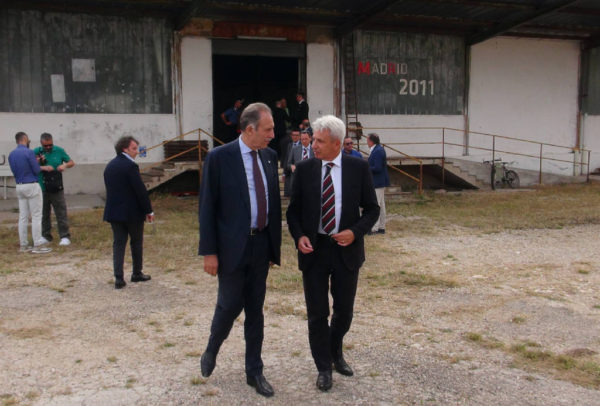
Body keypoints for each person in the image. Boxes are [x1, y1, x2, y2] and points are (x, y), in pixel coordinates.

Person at [286, 115, 379, 391]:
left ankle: (335, 350)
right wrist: (300, 236)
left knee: (344, 312)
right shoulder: (305, 170)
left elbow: (372, 209)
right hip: (314, 250)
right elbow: (293, 213)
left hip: (345, 250)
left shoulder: (358, 168)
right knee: (317, 314)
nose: (313, 145)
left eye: (319, 141)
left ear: (337, 143)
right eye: (313, 139)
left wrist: (355, 232)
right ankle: (324, 367)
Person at [198, 102, 281, 398]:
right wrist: (209, 252)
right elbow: (207, 207)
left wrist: (272, 248)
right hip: (231, 247)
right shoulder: (220, 158)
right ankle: (212, 347)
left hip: (260, 246)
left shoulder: (270, 157)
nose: (273, 134)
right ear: (249, 129)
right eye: (268, 129)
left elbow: (273, 204)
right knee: (230, 305)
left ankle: (254, 371)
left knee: (255, 310)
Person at [103, 136, 154, 289]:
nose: (137, 152)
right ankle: (136, 273)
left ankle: (118, 278)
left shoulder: (110, 166)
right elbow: (140, 190)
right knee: (136, 242)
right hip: (132, 212)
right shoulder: (130, 166)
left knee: (118, 243)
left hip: (114, 211)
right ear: (124, 149)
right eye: (134, 149)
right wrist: (148, 210)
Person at [8, 132, 51, 254]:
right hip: (31, 184)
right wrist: (39, 164)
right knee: (36, 216)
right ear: (25, 139)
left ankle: (23, 245)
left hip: (19, 185)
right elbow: (36, 170)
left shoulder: (11, 154)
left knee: (23, 217)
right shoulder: (29, 152)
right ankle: (37, 244)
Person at [34, 133, 75, 246]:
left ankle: (64, 236)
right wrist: (43, 167)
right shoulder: (36, 152)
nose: (48, 147)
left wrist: (64, 166)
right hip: (42, 186)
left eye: (50, 145)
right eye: (45, 146)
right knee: (44, 212)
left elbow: (71, 162)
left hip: (56, 186)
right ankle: (46, 235)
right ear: (41, 144)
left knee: (61, 211)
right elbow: (31, 166)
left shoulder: (59, 150)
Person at [367, 133, 390, 235]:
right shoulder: (376, 150)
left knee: (376, 205)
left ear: (371, 141)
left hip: (378, 181)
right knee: (381, 205)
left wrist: (366, 167)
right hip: (378, 181)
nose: (367, 142)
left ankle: (375, 228)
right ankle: (381, 226)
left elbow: (377, 168)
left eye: (368, 140)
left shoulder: (378, 151)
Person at [283, 129, 301, 197]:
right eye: (293, 135)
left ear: (299, 136)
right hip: (289, 170)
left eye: (297, 135)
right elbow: (286, 158)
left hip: (298, 171)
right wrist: (284, 173)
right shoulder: (289, 145)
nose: (295, 137)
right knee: (289, 192)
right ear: (291, 136)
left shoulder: (302, 145)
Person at [272, 97, 290, 162]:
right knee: (282, 144)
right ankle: (282, 157)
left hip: (275, 130)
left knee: (275, 144)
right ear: (279, 104)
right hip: (282, 131)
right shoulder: (283, 111)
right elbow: (288, 119)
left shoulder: (273, 111)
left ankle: (276, 157)